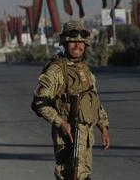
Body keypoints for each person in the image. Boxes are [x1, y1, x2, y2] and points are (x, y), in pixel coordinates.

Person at [31, 20, 110, 180]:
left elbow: (94, 100)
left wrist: (103, 126)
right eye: (73, 41)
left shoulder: (84, 69)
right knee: (70, 176)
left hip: (85, 138)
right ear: (65, 42)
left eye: (81, 42)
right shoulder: (57, 69)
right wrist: (61, 123)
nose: (78, 45)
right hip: (68, 137)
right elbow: (39, 103)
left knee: (83, 176)